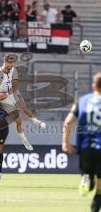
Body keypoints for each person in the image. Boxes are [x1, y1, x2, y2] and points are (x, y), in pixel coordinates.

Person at [0, 54, 47, 150]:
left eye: (12, 63)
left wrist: (8, 94)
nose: (11, 65)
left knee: (23, 107)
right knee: (18, 121)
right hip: (4, 98)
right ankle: (23, 138)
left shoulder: (13, 70)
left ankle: (37, 122)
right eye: (9, 63)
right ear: (5, 62)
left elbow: (16, 86)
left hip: (13, 92)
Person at [62, 72, 101, 212]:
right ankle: (97, 198)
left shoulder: (83, 101)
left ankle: (87, 179)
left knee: (88, 174)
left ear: (93, 86)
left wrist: (65, 143)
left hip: (85, 147)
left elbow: (68, 122)